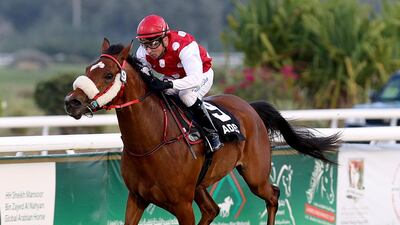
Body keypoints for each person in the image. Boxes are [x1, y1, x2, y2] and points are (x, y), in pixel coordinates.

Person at [135, 14, 223, 151]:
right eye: (144, 45)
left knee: (186, 96)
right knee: (159, 94)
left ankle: (212, 133)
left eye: (153, 44)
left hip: (201, 75)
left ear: (165, 39)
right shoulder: (142, 53)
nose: (149, 50)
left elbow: (195, 79)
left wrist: (169, 84)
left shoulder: (184, 46)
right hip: (175, 77)